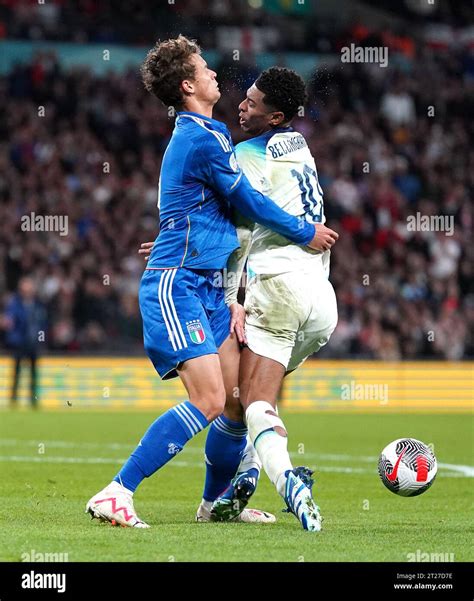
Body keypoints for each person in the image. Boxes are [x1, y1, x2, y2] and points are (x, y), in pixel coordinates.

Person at [86, 36, 338, 528]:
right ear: (187, 85)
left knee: (238, 401)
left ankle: (213, 505)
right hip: (178, 283)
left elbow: (215, 212)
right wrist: (305, 230)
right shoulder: (202, 137)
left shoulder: (209, 132)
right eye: (204, 69)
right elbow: (248, 203)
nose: (215, 75)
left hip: (204, 281)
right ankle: (117, 491)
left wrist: (178, 237)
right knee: (207, 400)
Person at [209, 67, 339, 531]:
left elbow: (243, 230)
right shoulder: (299, 144)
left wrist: (231, 297)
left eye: (253, 102)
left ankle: (289, 485)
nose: (242, 105)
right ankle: (245, 474)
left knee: (251, 401)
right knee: (252, 399)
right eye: (244, 97)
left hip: (279, 284)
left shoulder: (247, 153)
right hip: (322, 300)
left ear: (276, 115)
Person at [4, 276, 47, 408]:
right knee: (17, 371)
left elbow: (43, 322)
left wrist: (41, 337)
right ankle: (14, 399)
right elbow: (10, 319)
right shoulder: (15, 304)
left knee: (33, 372)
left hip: (33, 343)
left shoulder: (37, 304)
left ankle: (33, 399)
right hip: (20, 343)